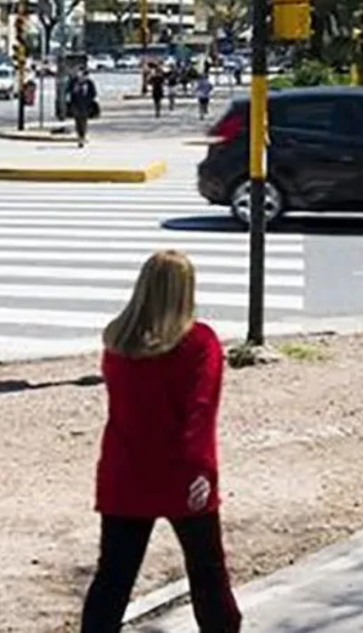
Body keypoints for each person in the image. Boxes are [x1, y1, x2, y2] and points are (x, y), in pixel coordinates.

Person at [81, 251, 241, 633]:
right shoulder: (200, 342)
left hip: (125, 472)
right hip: (182, 473)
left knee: (113, 579)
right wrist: (201, 470)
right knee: (208, 575)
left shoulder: (118, 342)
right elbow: (201, 411)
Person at [67, 66, 99, 147]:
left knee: (84, 121)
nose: (82, 76)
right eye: (80, 73)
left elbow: (94, 93)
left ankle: (82, 136)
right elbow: (68, 91)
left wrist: (90, 100)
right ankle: (79, 136)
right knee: (77, 121)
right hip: (76, 104)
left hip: (86, 105)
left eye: (84, 74)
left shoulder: (89, 83)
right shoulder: (74, 82)